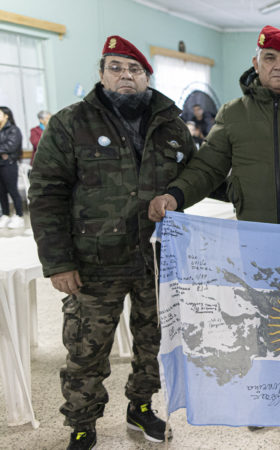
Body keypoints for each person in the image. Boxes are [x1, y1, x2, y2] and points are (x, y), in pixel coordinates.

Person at [28, 35, 196, 450]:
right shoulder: (70, 123)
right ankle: (82, 425)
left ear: (146, 77)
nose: (125, 75)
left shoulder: (170, 126)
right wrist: (58, 262)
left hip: (155, 260)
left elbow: (197, 175)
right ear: (101, 74)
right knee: (87, 348)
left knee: (154, 342)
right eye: (116, 67)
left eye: (134, 69)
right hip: (93, 261)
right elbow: (46, 193)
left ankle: (141, 407)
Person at [148, 25, 280, 229]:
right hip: (252, 232)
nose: (279, 66)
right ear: (256, 64)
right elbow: (207, 168)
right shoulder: (232, 114)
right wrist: (175, 196)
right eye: (269, 58)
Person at [0, 106, 24, 229]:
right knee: (1, 192)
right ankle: (5, 215)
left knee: (12, 190)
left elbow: (10, 147)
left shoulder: (13, 130)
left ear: (6, 116)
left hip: (9, 164)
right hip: (0, 162)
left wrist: (5, 153)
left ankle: (19, 215)